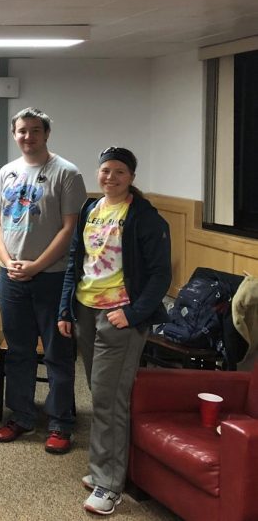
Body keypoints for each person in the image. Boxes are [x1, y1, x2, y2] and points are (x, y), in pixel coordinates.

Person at [57, 147, 171, 515]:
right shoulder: (92, 209)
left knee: (109, 399)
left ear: (131, 177)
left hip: (120, 316)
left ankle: (109, 484)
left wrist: (135, 313)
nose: (111, 177)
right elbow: (77, 261)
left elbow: (160, 276)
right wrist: (65, 307)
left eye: (119, 172)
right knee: (99, 392)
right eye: (106, 171)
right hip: (86, 310)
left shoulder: (145, 218)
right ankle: (102, 466)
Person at [0, 107, 87, 454]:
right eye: (21, 131)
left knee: (58, 352)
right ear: (15, 135)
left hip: (53, 278)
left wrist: (36, 265)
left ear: (46, 134)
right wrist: (9, 262)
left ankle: (61, 422)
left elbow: (69, 229)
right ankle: (22, 416)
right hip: (11, 277)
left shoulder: (67, 174)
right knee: (18, 351)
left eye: (34, 130)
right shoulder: (7, 173)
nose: (27, 136)